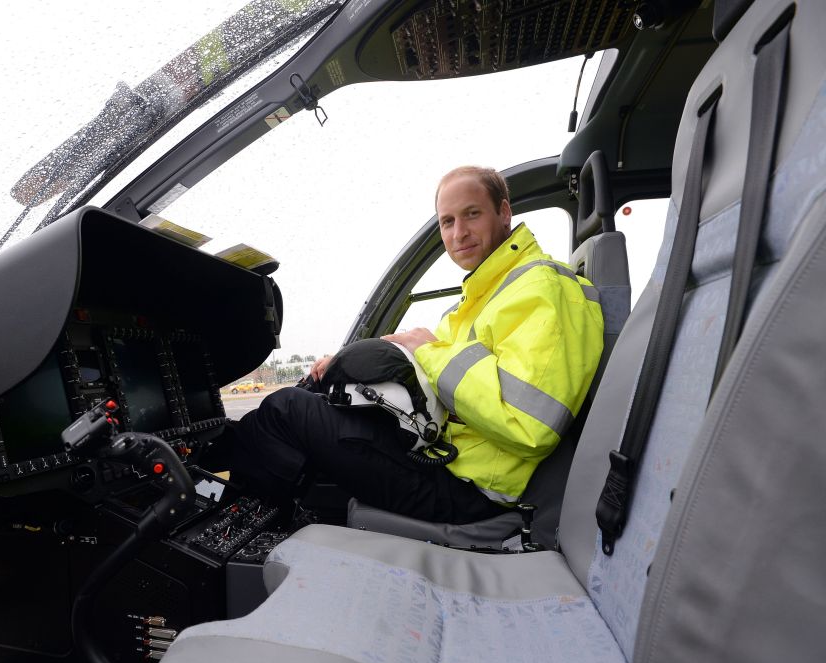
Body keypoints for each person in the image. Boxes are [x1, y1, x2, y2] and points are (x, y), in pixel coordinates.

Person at [211, 167, 605, 524]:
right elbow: (444, 375)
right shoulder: (486, 294)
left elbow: (528, 426)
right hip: (450, 456)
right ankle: (224, 469)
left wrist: (430, 350)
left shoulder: (543, 289)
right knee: (317, 395)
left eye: (472, 214)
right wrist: (348, 365)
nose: (458, 233)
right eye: (447, 222)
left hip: (471, 487)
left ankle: (231, 529)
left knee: (285, 410)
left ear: (504, 213)